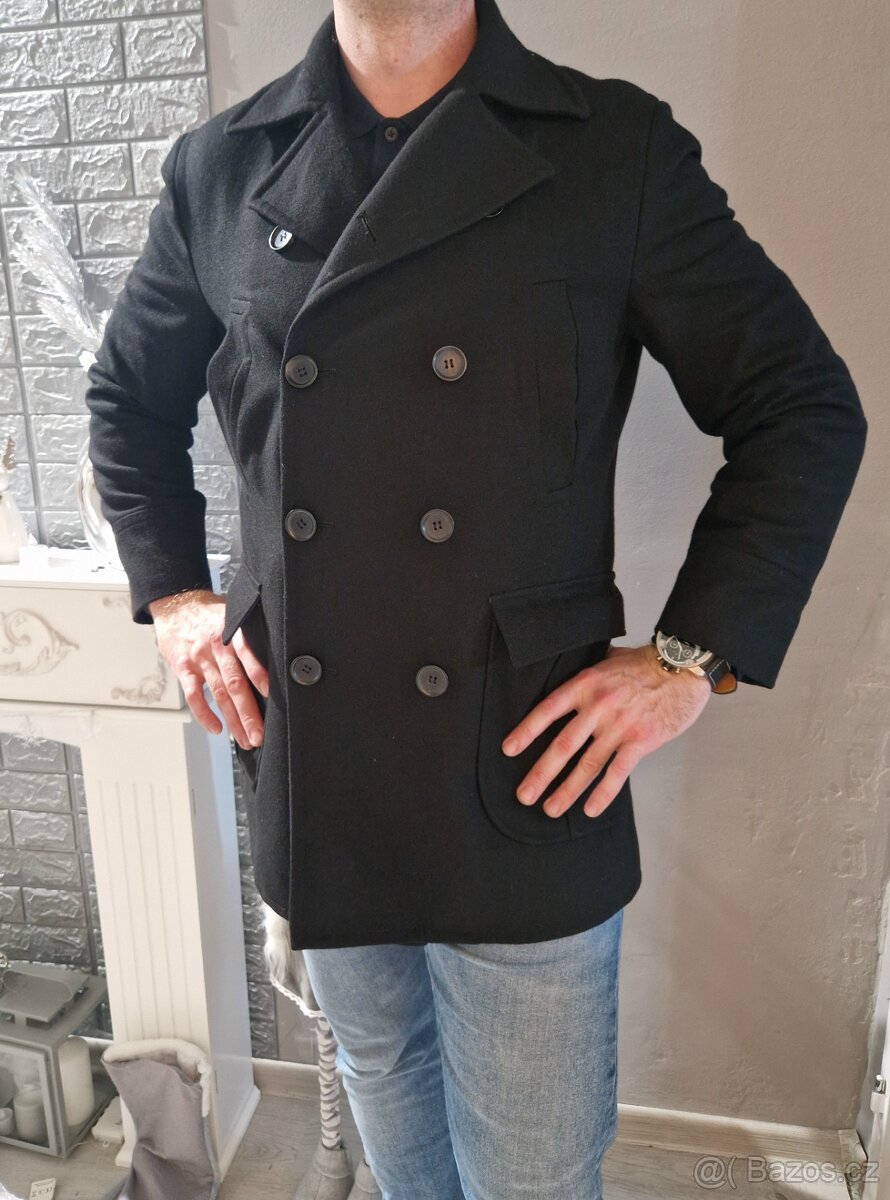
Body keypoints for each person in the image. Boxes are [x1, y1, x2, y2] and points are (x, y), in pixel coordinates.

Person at [84, 0, 868, 1196]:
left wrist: (688, 656)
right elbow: (126, 403)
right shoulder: (221, 166)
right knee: (390, 1108)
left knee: (531, 1174)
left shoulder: (609, 148)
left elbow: (800, 405)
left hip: (520, 762)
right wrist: (177, 598)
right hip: (320, 760)